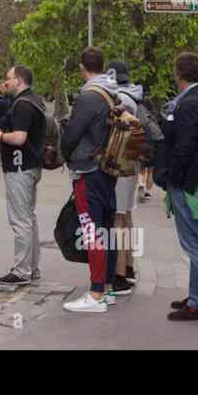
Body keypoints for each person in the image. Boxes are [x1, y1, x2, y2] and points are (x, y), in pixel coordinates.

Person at [60, 47, 120, 314]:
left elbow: (73, 134)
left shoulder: (88, 96)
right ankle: (107, 288)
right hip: (108, 168)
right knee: (106, 228)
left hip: (88, 170)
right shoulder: (112, 93)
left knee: (91, 230)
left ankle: (95, 294)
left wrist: (64, 152)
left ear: (83, 68)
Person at [162, 53, 198, 322]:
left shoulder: (189, 104)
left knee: (195, 244)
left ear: (178, 74)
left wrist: (171, 178)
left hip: (189, 183)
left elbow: (184, 146)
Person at [0, 66, 46, 286]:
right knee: (29, 218)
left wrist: (0, 136)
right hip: (31, 165)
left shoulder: (22, 104)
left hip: (19, 167)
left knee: (20, 220)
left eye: (9, 79)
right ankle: (31, 268)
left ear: (20, 80)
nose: (6, 82)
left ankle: (22, 270)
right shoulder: (35, 100)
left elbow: (20, 137)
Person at [108, 61, 143, 294]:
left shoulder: (119, 99)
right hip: (132, 163)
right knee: (127, 216)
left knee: (117, 219)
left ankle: (119, 277)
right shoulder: (134, 95)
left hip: (119, 164)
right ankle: (129, 267)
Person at [137, 95, 157, 205]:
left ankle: (141, 184)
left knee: (141, 168)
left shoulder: (139, 115)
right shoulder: (153, 117)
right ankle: (147, 191)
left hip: (140, 143)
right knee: (150, 170)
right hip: (152, 145)